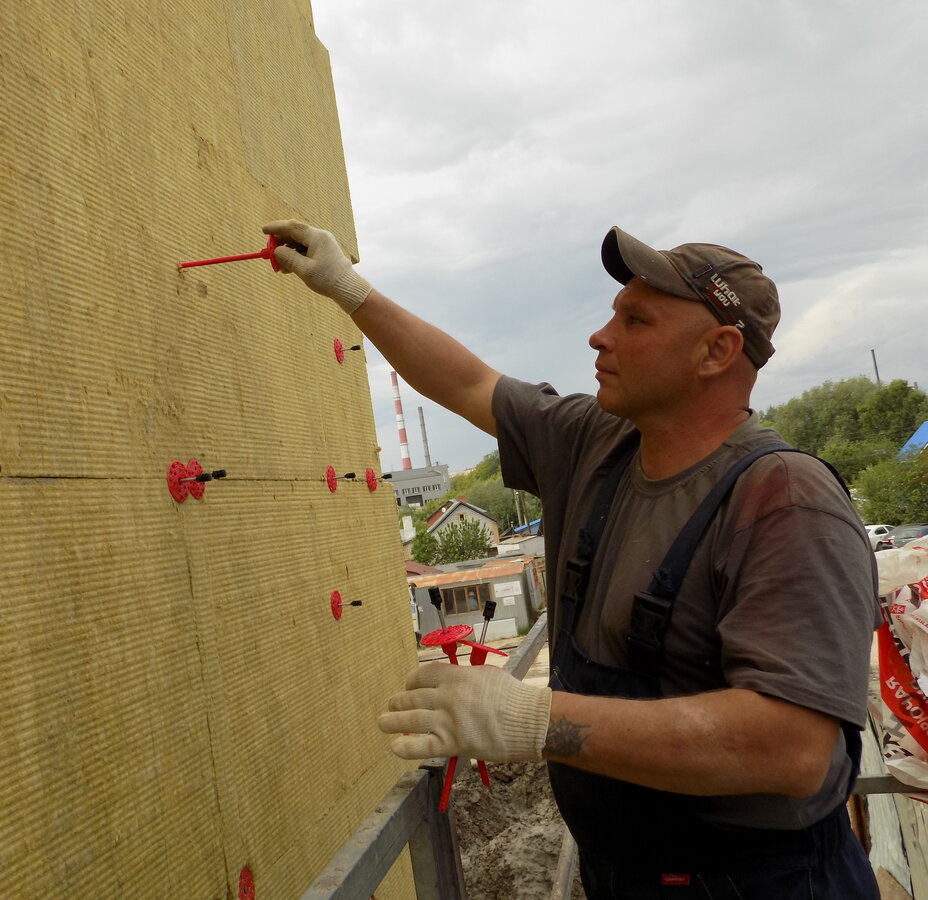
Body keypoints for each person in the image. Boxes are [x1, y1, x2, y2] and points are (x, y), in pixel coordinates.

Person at [262, 219, 881, 899]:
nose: (600, 335)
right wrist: (349, 290)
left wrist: (532, 721)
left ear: (716, 351)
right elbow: (467, 382)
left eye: (636, 320)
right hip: (626, 875)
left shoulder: (784, 500)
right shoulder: (595, 442)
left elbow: (793, 748)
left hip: (762, 885)